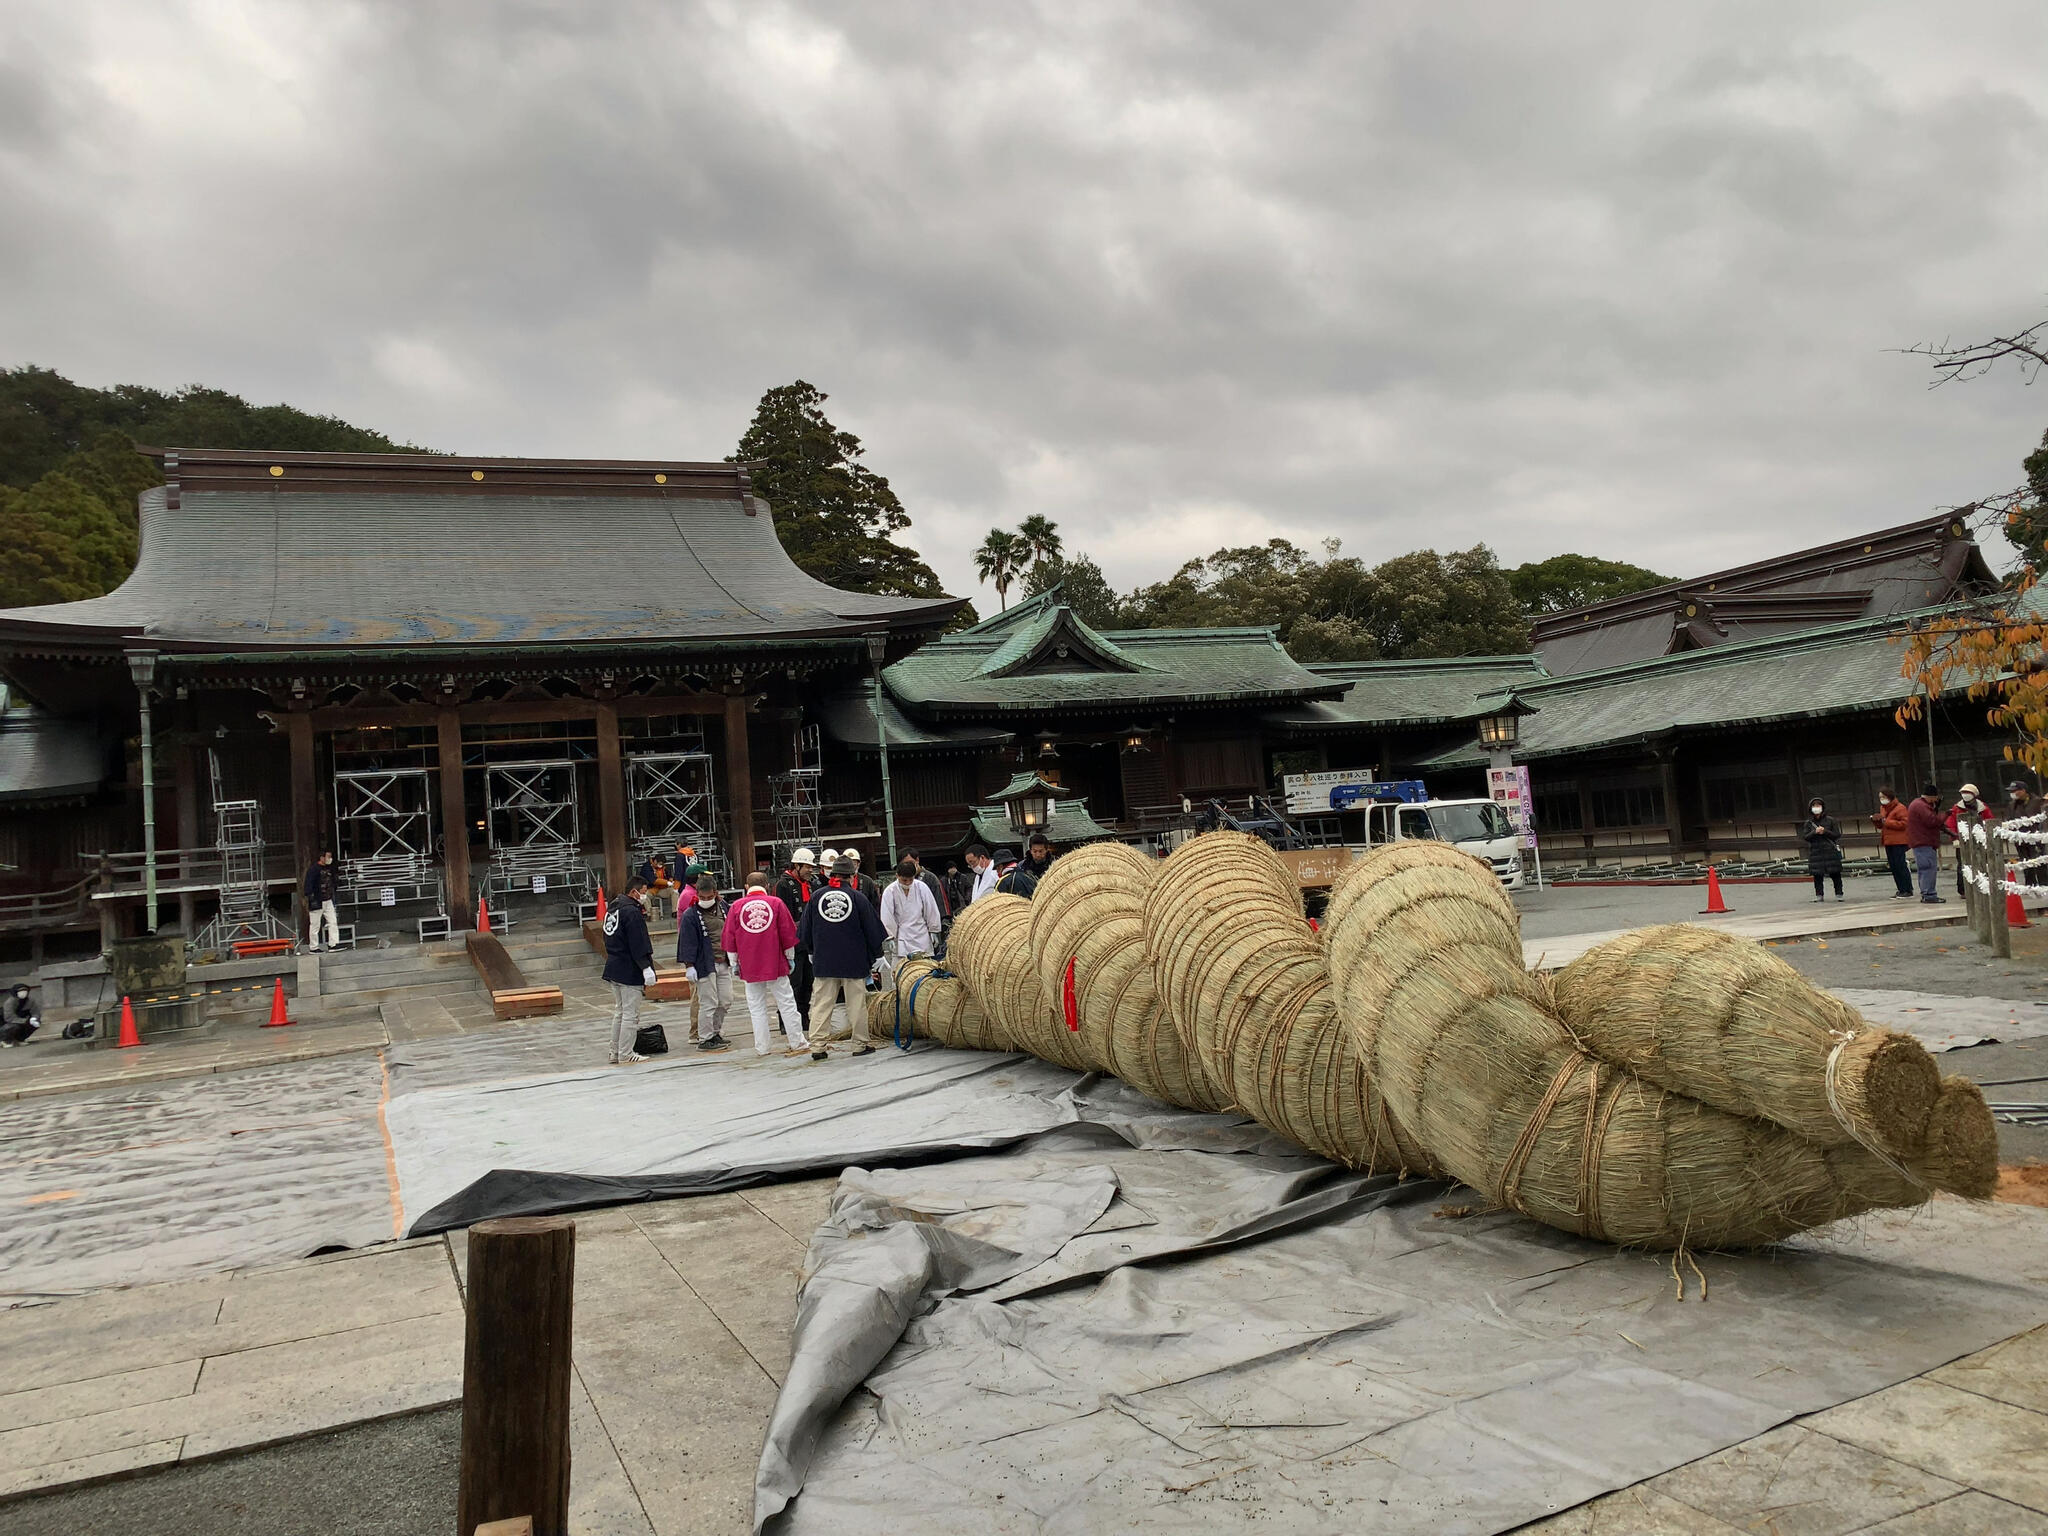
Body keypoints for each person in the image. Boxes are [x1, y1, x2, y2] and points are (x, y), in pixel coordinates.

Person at [722, 873, 815, 1059]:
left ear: (747, 886)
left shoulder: (736, 907)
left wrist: (734, 963)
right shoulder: (776, 904)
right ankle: (797, 1042)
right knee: (787, 1003)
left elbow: (730, 938)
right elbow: (788, 935)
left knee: (756, 1007)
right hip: (776, 962)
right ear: (767, 884)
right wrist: (790, 958)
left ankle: (762, 1048)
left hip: (749, 964)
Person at [798, 857, 886, 1056]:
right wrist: (878, 954)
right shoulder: (858, 898)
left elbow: (805, 930)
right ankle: (860, 1045)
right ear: (852, 876)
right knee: (856, 1004)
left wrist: (812, 951)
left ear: (832, 874)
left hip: (824, 960)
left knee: (821, 1004)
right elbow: (872, 929)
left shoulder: (816, 897)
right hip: (853, 961)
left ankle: (818, 1047)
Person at [600, 876, 659, 1065]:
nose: (645, 895)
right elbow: (638, 942)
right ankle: (626, 1053)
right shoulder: (631, 912)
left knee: (620, 1012)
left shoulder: (613, 909)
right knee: (630, 1014)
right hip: (628, 968)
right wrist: (646, 967)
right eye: (643, 891)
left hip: (614, 964)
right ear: (634, 892)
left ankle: (614, 1051)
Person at [674, 874, 731, 1052]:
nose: (706, 900)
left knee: (725, 1000)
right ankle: (705, 1037)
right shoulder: (691, 915)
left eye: (709, 897)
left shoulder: (724, 907)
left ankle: (715, 1032)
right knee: (708, 1002)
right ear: (697, 894)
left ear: (716, 893)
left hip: (724, 961)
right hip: (704, 963)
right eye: (702, 897)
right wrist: (689, 965)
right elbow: (686, 942)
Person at [775, 848, 818, 1026]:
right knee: (794, 983)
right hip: (792, 942)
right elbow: (783, 916)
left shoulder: (813, 884)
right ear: (797, 865)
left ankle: (803, 1015)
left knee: (808, 982)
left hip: (809, 941)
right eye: (807, 866)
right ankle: (786, 1020)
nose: (810, 870)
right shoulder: (783, 885)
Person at [880, 857, 943, 959]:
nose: (908, 883)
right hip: (902, 936)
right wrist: (890, 936)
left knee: (925, 970)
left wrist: (934, 930)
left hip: (922, 935)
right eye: (904, 880)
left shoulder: (922, 887)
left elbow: (931, 909)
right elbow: (887, 915)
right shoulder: (890, 891)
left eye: (911, 880)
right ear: (897, 876)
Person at [1946, 783, 1996, 897]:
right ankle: (1963, 889)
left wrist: (1987, 837)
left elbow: (1990, 821)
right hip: (1962, 842)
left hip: (1980, 841)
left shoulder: (1983, 807)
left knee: (1982, 863)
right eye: (1963, 793)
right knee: (1963, 865)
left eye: (1968, 793)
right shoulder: (1956, 808)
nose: (1965, 795)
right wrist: (1955, 838)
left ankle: (1983, 885)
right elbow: (1950, 824)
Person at [1906, 785, 1949, 904]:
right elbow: (1932, 821)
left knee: (1923, 869)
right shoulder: (1922, 806)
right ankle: (1929, 894)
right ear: (1932, 796)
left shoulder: (1917, 804)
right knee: (1928, 868)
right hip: (1924, 841)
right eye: (1935, 798)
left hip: (1919, 841)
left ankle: (1926, 893)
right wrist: (1945, 815)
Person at [1799, 798, 1844, 902]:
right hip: (1816, 851)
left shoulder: (1831, 820)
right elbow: (1805, 837)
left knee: (1835, 873)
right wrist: (1815, 832)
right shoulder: (1809, 823)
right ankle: (1819, 895)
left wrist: (1825, 831)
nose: (1816, 808)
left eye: (1818, 805)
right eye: (1814, 806)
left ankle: (1839, 894)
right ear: (1810, 808)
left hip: (1830, 850)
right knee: (1817, 875)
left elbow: (1837, 835)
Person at [1872, 788, 1913, 899]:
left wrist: (1886, 821)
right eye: (1880, 797)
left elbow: (1904, 823)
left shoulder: (1900, 808)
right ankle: (1900, 889)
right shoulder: (1883, 808)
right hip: (1888, 840)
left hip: (1899, 841)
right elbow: (1883, 825)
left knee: (1900, 865)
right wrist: (1877, 822)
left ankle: (1907, 889)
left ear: (1889, 796)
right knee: (1894, 866)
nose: (1881, 799)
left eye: (1883, 797)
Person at [2009, 782, 2046, 890]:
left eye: (2015, 790)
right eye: (2011, 791)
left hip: (2036, 838)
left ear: (2023, 790)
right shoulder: (2012, 804)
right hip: (2020, 839)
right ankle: (2030, 884)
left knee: (2039, 861)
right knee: (2025, 862)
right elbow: (2010, 819)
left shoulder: (2038, 802)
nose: (2013, 793)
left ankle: (2044, 884)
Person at [303, 850, 340, 952]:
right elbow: (308, 885)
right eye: (328, 857)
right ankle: (313, 947)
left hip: (328, 899)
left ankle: (333, 943)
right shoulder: (313, 870)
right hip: (317, 900)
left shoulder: (329, 869)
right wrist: (311, 898)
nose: (329, 859)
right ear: (322, 857)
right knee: (315, 925)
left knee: (333, 921)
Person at [0, 983, 38, 1047]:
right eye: (20, 991)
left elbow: (35, 1012)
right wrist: (24, 1021)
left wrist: (35, 1018)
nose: (23, 993)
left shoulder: (30, 1001)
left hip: (21, 1021)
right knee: (14, 1026)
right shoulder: (9, 1002)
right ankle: (4, 1040)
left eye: (25, 991)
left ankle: (19, 1039)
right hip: (6, 1024)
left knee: (34, 1024)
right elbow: (9, 1018)